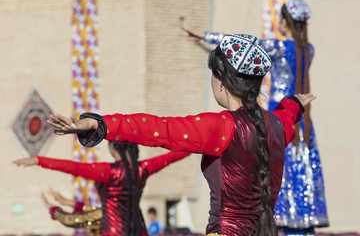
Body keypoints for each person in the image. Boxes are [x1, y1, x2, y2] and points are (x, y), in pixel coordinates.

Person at [45, 33, 316, 236]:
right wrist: (295, 102)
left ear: (221, 80)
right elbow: (287, 113)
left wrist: (98, 124)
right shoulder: (278, 126)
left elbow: (158, 128)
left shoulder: (221, 127)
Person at [181, 0, 329, 235]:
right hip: (299, 121)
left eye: (281, 19)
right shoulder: (308, 50)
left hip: (275, 114)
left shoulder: (282, 47)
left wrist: (204, 35)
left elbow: (244, 47)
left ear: (285, 21)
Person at [13, 141, 190, 236]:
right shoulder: (143, 168)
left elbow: (73, 167)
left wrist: (39, 161)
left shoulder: (107, 172)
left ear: (113, 148)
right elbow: (172, 156)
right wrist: (203, 145)